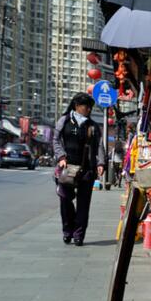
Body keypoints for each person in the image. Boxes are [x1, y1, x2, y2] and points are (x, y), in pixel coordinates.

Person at [52, 93, 105, 246]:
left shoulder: (93, 126)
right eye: (85, 106)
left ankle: (78, 235)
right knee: (65, 200)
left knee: (83, 204)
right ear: (76, 106)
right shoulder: (64, 120)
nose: (88, 109)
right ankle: (67, 230)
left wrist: (101, 163)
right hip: (66, 168)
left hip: (87, 170)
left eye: (90, 107)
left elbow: (99, 145)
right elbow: (55, 140)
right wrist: (61, 156)